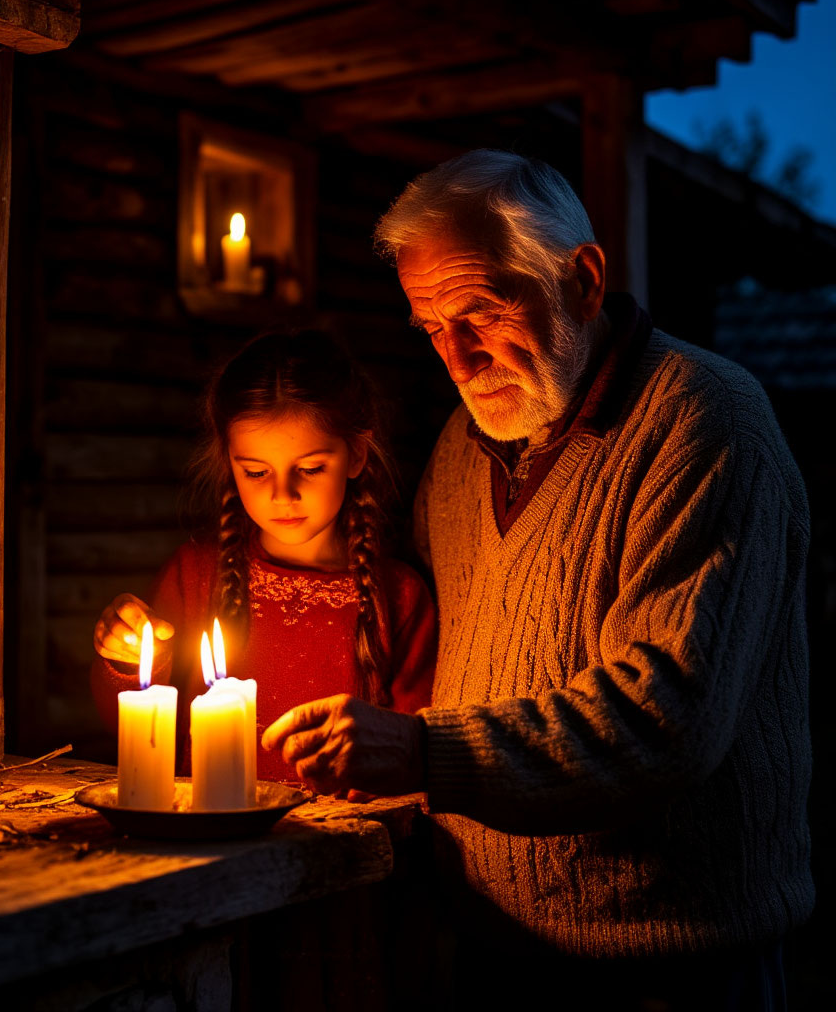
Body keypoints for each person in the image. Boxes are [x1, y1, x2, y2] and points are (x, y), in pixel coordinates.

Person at [261, 151, 813, 1008]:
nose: (458, 355)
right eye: (430, 326)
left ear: (582, 279)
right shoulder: (459, 450)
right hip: (485, 950)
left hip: (670, 970)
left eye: (480, 310)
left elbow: (669, 719)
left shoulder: (704, 422)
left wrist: (418, 751)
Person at [91, 329, 436, 783]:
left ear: (356, 456)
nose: (282, 495)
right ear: (230, 463)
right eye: (255, 472)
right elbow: (134, 727)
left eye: (310, 468)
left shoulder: (400, 596)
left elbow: (413, 747)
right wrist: (126, 657)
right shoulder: (195, 576)